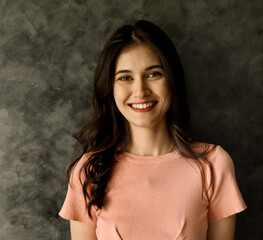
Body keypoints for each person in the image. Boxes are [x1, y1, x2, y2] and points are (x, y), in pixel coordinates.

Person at [59, 20, 246, 240]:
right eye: (125, 78)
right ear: (109, 88)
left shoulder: (213, 165)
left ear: (172, 80)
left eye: (153, 74)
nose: (140, 91)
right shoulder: (89, 172)